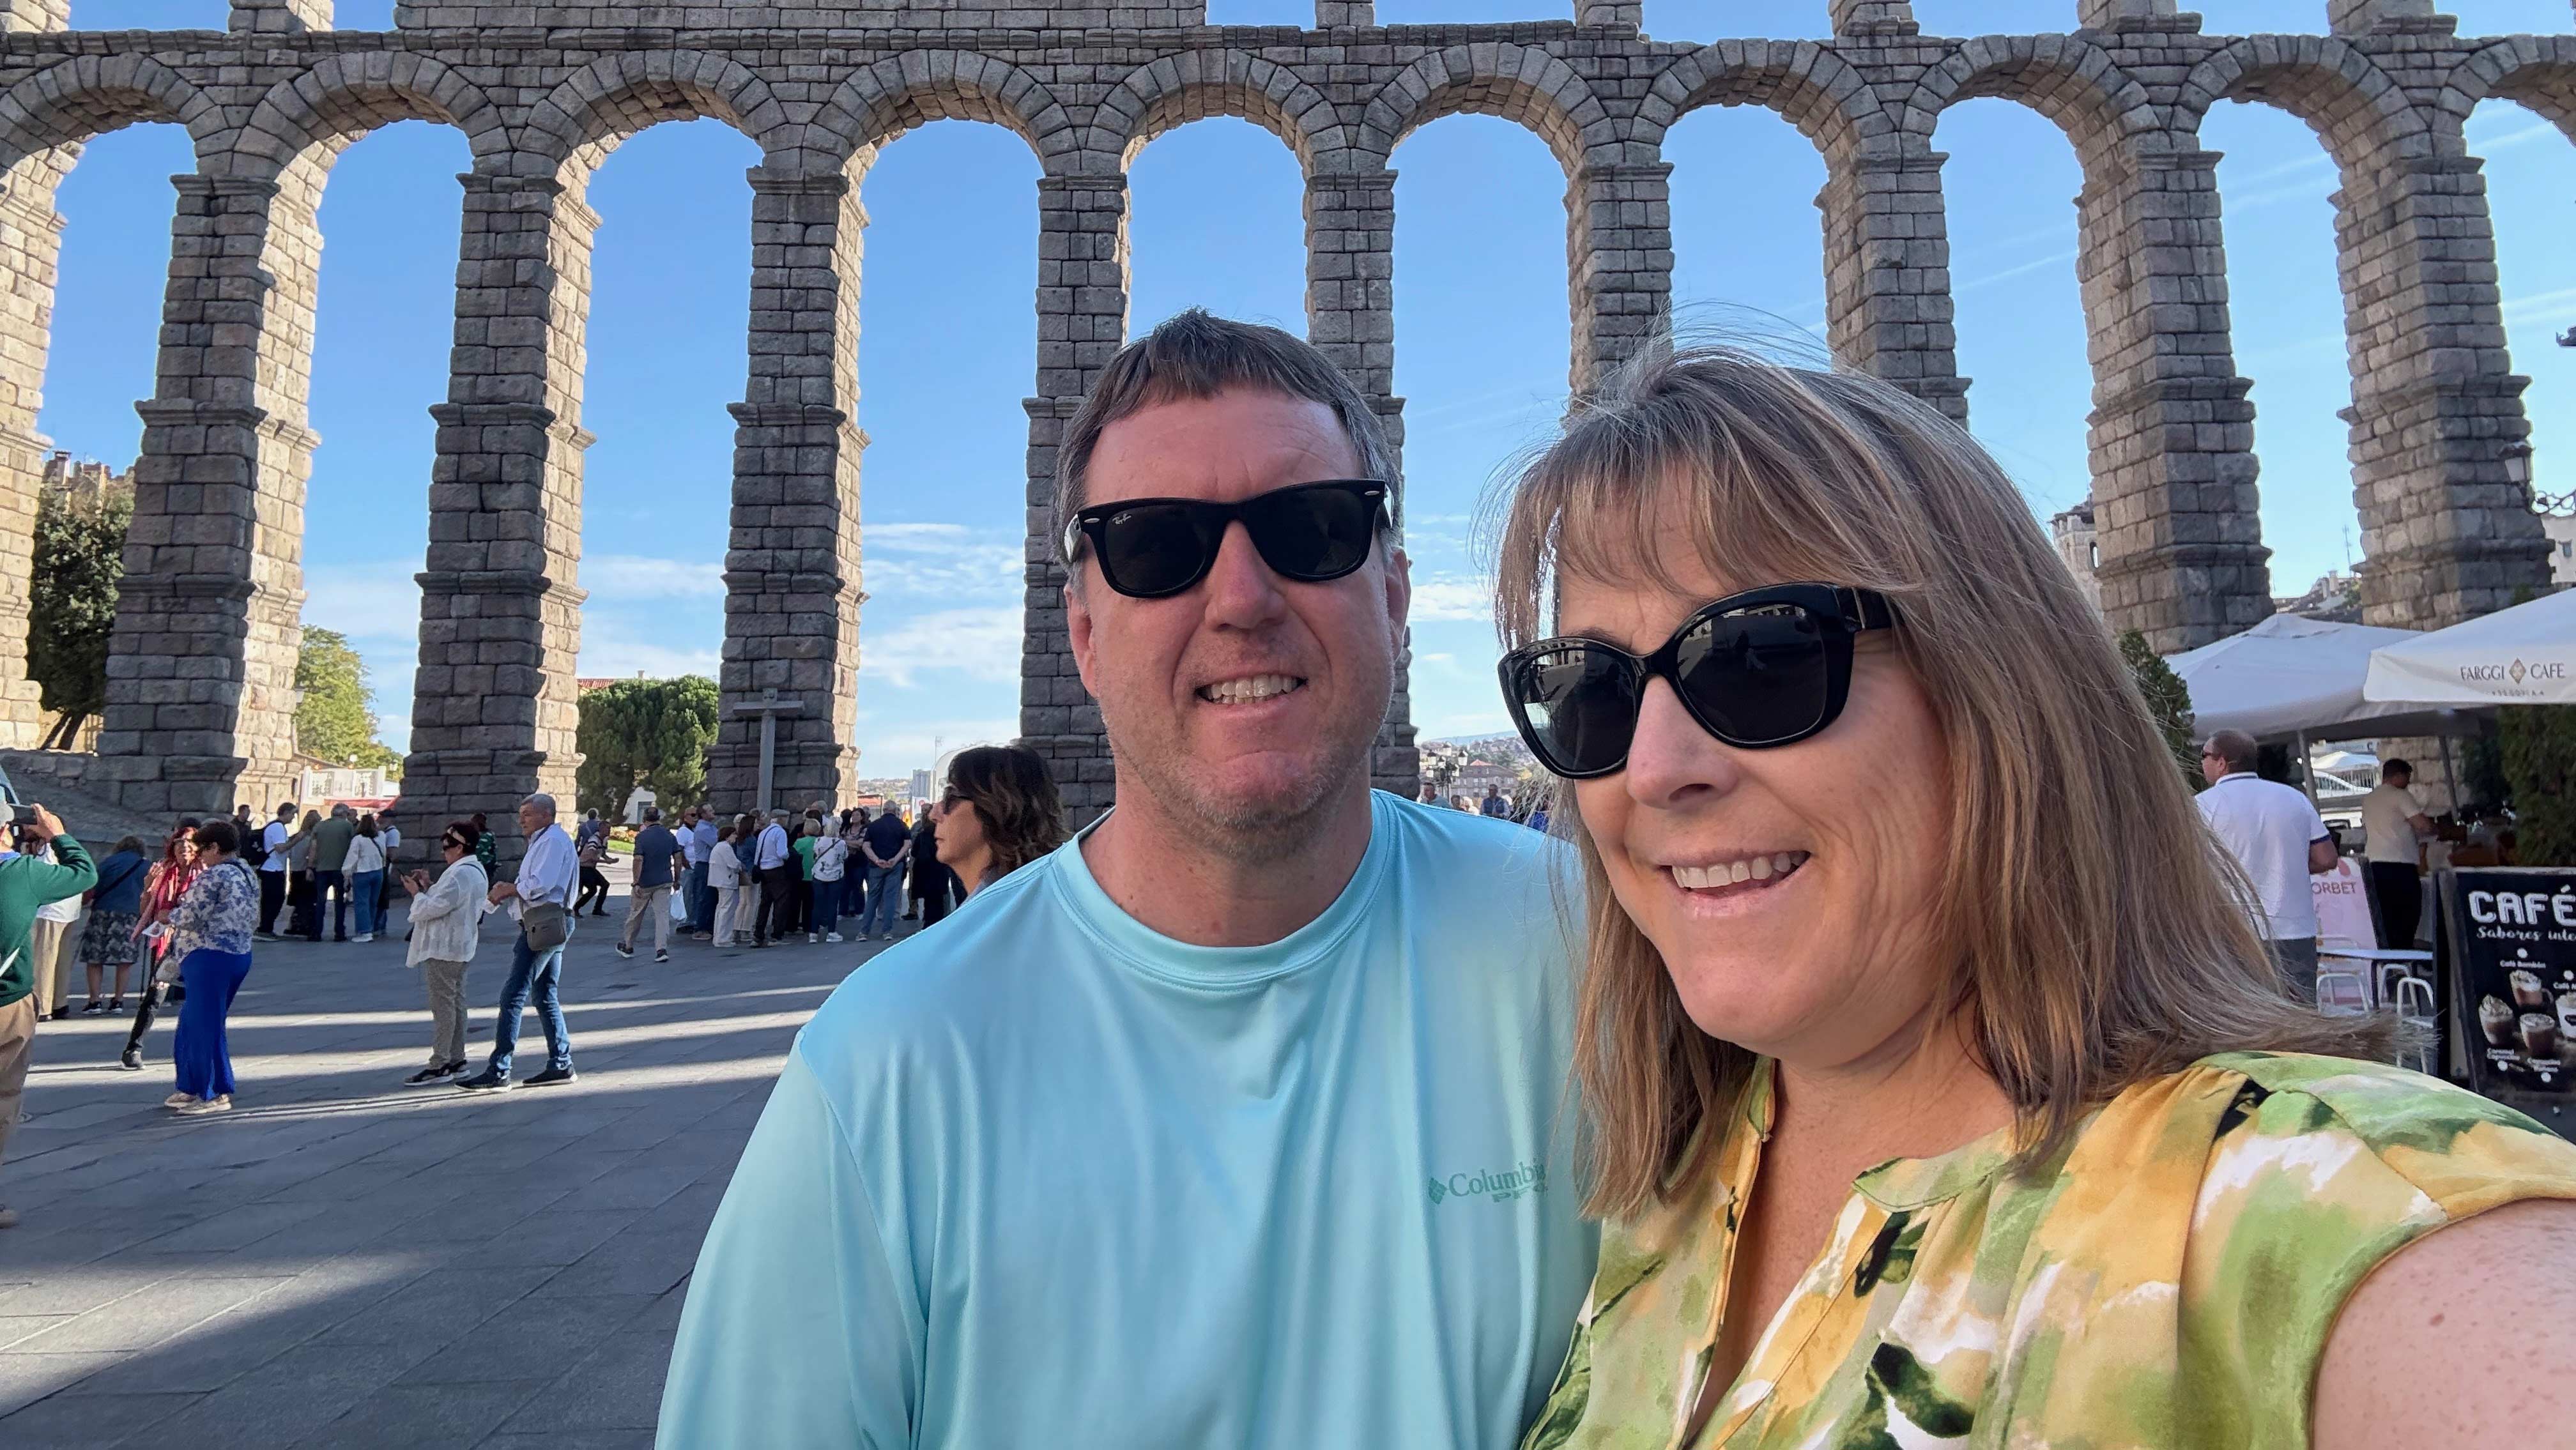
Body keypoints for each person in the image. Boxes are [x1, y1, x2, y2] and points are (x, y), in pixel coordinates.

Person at [1476, 342, 2576, 1450]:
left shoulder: (2298, 1204)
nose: (1657, 768)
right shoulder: (1657, 1189)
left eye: (1760, 658)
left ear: (1997, 688)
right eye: (1589, 692)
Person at [661, 310, 1595, 1446]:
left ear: (1394, 594)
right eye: (1157, 543)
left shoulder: (1598, 950)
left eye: (1308, 528)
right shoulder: (887, 1068)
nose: (1242, 597)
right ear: (1085, 635)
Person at [0, 805, 96, 1228]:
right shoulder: (22, 873)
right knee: (3, 1098)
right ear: (6, 829)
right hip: (8, 1002)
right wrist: (57, 833)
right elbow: (84, 874)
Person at [2198, 727, 2338, 1003]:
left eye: (2204, 756)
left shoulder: (2203, 806)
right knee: (2300, 1018)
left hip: (2233, 930)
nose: (2201, 763)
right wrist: (2287, 864)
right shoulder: (2294, 799)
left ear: (2222, 762)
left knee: (2244, 1019)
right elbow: (2326, 858)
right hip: (2295, 929)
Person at [457, 793, 579, 1092]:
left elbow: (541, 885)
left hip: (543, 924)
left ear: (546, 815)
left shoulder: (551, 842)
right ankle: (561, 1063)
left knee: (513, 995)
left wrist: (510, 889)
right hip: (550, 922)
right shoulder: (547, 840)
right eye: (521, 813)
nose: (521, 819)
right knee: (545, 994)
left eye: (527, 814)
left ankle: (499, 1069)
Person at [163, 820, 259, 1116]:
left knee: (203, 1024)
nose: (199, 856)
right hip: (237, 953)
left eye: (202, 849)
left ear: (215, 848)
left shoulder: (213, 876)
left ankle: (212, 1091)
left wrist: (169, 915)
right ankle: (190, 1086)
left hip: (209, 954)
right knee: (197, 1021)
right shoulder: (247, 873)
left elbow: (191, 916)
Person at [400, 820, 488, 1085]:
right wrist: (428, 887)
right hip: (460, 946)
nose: (444, 852)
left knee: (444, 1007)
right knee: (456, 1004)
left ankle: (440, 1063)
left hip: (445, 948)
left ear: (460, 847)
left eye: (447, 847)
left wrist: (416, 893)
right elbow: (447, 901)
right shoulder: (474, 870)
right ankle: (457, 1059)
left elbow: (434, 908)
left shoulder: (460, 873)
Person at [120, 820, 204, 1071]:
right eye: (180, 845)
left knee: (200, 997)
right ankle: (133, 1048)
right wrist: (148, 887)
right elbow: (146, 909)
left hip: (195, 942)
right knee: (155, 993)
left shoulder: (206, 874)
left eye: (190, 845)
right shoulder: (164, 872)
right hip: (166, 940)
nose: (185, 850)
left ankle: (196, 1050)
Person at [929, 746, 1064, 899]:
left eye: (951, 796)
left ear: (998, 809)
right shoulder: (1034, 896)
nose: (933, 815)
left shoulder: (1004, 913)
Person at [2363, 757, 2436, 949]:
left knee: (2385, 920)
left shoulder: (2369, 799)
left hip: (2375, 865)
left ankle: (2390, 965)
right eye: (2407, 777)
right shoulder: (2400, 796)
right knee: (2407, 917)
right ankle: (2405, 961)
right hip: (2400, 865)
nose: (2409, 783)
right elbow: (2423, 825)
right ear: (2398, 775)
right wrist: (2438, 829)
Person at [77, 835, 150, 1014]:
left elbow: (93, 886)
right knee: (124, 961)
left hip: (103, 912)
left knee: (95, 959)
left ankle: (94, 1001)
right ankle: (118, 1000)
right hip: (131, 915)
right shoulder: (145, 866)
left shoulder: (108, 862)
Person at [620, 805, 685, 963]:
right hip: (664, 881)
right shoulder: (670, 836)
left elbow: (638, 859)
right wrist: (677, 879)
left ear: (644, 820)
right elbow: (677, 859)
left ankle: (628, 945)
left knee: (636, 914)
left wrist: (636, 882)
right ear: (659, 819)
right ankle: (661, 949)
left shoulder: (642, 837)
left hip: (645, 882)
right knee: (661, 916)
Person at [854, 802, 910, 940]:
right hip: (895, 866)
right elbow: (908, 844)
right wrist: (896, 859)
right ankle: (887, 932)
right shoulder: (901, 825)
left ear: (883, 810)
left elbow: (866, 846)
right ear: (895, 811)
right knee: (890, 898)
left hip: (876, 866)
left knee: (873, 898)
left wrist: (876, 859)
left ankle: (864, 932)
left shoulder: (874, 826)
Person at [307, 804, 357, 943]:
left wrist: (310, 867)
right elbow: (353, 846)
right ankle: (339, 933)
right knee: (339, 902)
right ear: (345, 814)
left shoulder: (320, 826)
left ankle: (316, 932)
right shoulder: (347, 826)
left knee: (320, 901)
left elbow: (313, 847)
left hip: (321, 869)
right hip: (340, 869)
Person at [750, 810, 793, 949]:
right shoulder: (780, 832)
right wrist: (789, 857)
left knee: (765, 903)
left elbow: (758, 852)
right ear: (782, 818)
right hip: (776, 869)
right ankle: (777, 935)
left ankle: (758, 935)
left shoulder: (764, 832)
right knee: (781, 902)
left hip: (763, 869)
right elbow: (782, 853)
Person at [905, 809, 954, 927]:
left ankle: (928, 923)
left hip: (924, 871)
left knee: (929, 901)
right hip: (940, 870)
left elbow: (914, 852)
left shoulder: (922, 835)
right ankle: (939, 922)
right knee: (939, 900)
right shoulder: (943, 834)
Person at [254, 802, 294, 939]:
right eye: (293, 814)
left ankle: (266, 927)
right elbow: (281, 848)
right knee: (275, 899)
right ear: (287, 813)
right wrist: (297, 840)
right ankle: (265, 928)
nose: (293, 817)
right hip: (273, 868)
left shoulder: (275, 826)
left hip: (272, 867)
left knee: (271, 899)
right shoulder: (278, 827)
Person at [344, 817, 387, 944]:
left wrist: (346, 873)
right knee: (373, 902)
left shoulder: (358, 839)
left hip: (362, 872)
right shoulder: (381, 836)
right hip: (378, 871)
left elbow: (352, 857)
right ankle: (370, 928)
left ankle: (364, 932)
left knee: (361, 903)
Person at [707, 823, 747, 948]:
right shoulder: (726, 848)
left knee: (722, 909)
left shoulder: (718, 847)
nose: (735, 837)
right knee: (727, 910)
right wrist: (741, 866)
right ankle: (723, 939)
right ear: (727, 836)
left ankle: (719, 937)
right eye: (734, 834)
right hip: (727, 881)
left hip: (720, 881)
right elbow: (734, 864)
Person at [809, 817, 847, 943]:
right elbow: (844, 857)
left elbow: (815, 854)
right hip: (835, 876)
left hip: (819, 875)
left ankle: (813, 934)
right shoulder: (840, 843)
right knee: (832, 904)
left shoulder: (818, 840)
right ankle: (831, 932)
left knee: (817, 905)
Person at [686, 804, 719, 938]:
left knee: (711, 896)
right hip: (704, 865)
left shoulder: (710, 827)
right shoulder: (703, 829)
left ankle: (709, 926)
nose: (713, 812)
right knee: (704, 896)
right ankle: (701, 928)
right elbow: (715, 842)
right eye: (710, 811)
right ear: (703, 815)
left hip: (710, 864)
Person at [574, 818, 611, 917]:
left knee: (602, 886)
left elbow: (602, 853)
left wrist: (609, 859)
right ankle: (578, 908)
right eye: (608, 829)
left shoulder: (603, 840)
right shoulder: (594, 840)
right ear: (602, 829)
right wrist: (606, 862)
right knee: (597, 888)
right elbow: (591, 857)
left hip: (590, 868)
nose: (610, 831)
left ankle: (595, 909)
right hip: (584, 868)